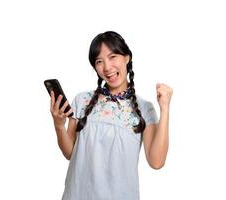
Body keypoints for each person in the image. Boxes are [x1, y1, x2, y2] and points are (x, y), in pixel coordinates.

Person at [49, 31, 173, 200]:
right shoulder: (82, 100)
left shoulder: (144, 108)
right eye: (99, 61)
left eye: (113, 57)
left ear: (127, 58)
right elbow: (71, 153)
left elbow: (156, 162)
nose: (107, 67)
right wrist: (58, 125)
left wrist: (165, 108)